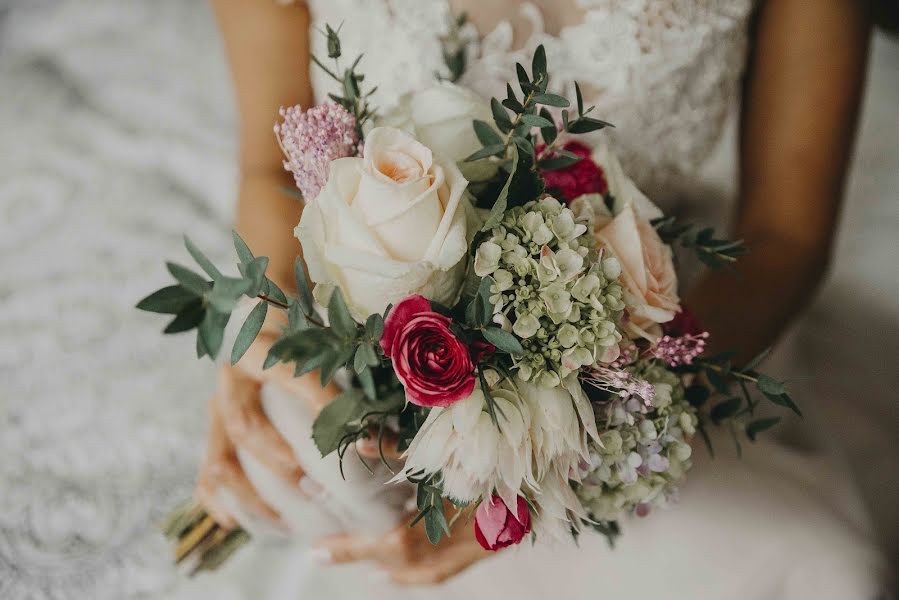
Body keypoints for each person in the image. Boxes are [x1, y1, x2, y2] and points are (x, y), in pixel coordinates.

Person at [176, 1, 886, 597]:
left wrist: (588, 438)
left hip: (642, 337)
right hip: (365, 323)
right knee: (305, 458)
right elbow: (270, 165)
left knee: (822, 571)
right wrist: (266, 335)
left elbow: (783, 238)